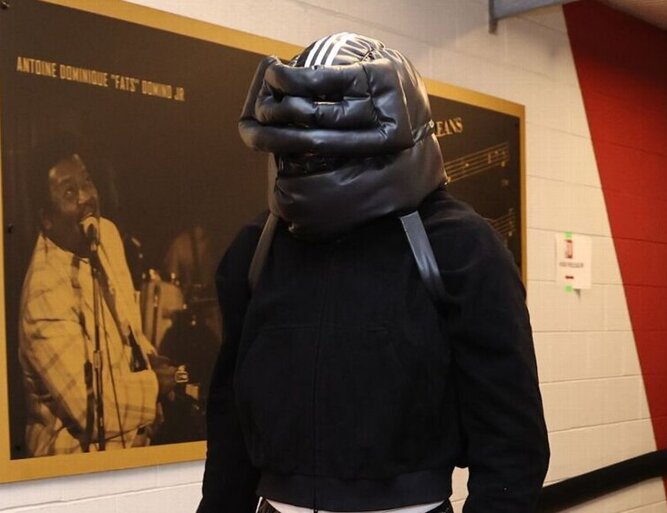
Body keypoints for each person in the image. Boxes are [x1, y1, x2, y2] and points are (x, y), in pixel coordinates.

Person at [198, 34, 549, 513]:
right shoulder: (258, 247)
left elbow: (511, 438)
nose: (311, 152)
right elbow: (231, 422)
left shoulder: (458, 246)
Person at [19, 142, 178, 455]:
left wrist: (149, 358)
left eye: (87, 181)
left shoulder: (106, 234)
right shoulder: (43, 292)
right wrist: (155, 385)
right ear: (45, 219)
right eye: (69, 192)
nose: (86, 197)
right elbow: (91, 409)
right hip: (74, 459)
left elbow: (129, 330)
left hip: (134, 442)